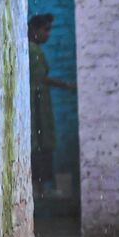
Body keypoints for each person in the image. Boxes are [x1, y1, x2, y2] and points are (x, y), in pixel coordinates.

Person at [28, 13, 77, 196]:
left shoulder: (32, 49)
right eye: (45, 30)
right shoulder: (33, 50)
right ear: (34, 30)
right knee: (40, 143)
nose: (48, 34)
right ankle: (39, 189)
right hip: (38, 103)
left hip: (39, 101)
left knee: (40, 143)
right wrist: (66, 84)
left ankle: (39, 188)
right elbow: (40, 78)